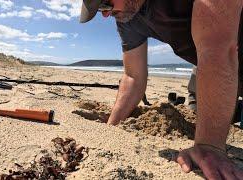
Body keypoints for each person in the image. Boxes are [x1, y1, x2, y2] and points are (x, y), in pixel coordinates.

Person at [80, 0, 243, 179]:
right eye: (101, 9)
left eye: (105, 4)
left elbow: (217, 46)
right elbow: (133, 77)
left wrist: (209, 147)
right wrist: (111, 126)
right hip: (208, 65)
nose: (105, 14)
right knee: (201, 111)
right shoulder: (126, 16)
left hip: (223, 52)